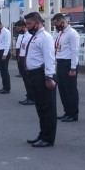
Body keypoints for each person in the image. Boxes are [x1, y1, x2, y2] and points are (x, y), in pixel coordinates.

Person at [24, 12, 57, 148]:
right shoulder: (35, 36)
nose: (27, 26)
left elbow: (49, 58)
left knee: (47, 108)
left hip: (42, 75)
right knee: (40, 108)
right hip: (34, 75)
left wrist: (49, 77)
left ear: (37, 23)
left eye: (29, 23)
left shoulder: (45, 37)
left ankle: (48, 138)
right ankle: (42, 134)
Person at [51, 13, 80, 122]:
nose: (55, 27)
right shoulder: (60, 34)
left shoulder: (72, 34)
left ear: (62, 21)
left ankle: (73, 114)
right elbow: (57, 47)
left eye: (56, 24)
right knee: (62, 90)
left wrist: (73, 68)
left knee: (70, 90)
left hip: (69, 64)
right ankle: (67, 112)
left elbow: (75, 51)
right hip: (61, 63)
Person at [15, 20, 34, 105]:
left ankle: (31, 97)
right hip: (21, 59)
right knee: (25, 79)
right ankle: (29, 96)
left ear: (23, 26)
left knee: (28, 80)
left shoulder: (29, 36)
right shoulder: (22, 36)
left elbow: (29, 50)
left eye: (18, 27)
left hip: (26, 59)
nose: (17, 29)